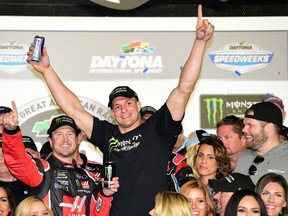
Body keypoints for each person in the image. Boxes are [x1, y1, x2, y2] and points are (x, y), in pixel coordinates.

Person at [26, 4, 214, 216]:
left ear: (138, 105)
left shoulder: (158, 127)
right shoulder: (107, 134)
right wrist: (46, 70)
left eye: (128, 103)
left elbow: (184, 88)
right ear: (112, 113)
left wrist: (199, 43)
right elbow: (73, 108)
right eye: (117, 106)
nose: (123, 110)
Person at [1, 104, 119, 216]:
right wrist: (11, 131)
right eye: (59, 135)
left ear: (79, 139)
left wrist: (105, 195)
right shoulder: (43, 169)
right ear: (50, 141)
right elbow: (17, 162)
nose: (65, 140)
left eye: (70, 134)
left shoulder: (90, 173)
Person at [234, 102, 288, 184]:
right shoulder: (243, 158)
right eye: (244, 125)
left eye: (250, 125)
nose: (244, 130)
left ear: (269, 128)